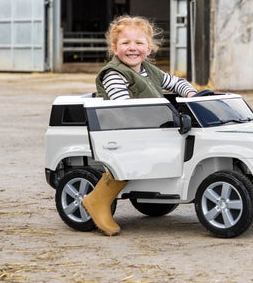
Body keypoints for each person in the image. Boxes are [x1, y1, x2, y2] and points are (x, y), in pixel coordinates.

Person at [82, 15, 197, 236]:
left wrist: (190, 93)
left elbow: (177, 82)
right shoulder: (114, 74)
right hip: (120, 129)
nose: (132, 48)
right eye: (125, 43)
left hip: (147, 127)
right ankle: (97, 200)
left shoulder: (150, 71)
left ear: (149, 48)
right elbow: (123, 105)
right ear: (115, 49)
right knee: (131, 157)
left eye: (139, 43)